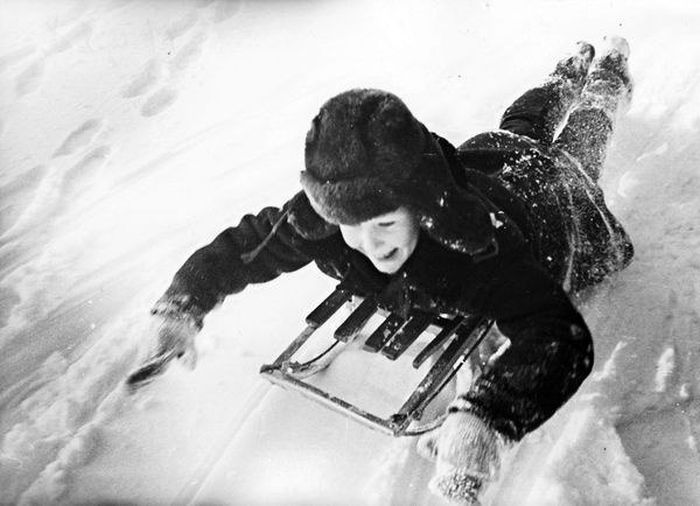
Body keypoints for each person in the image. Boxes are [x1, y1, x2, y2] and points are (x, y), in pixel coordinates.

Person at [126, 37, 634, 504]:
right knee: (519, 124)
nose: (370, 245)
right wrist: (182, 305)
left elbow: (558, 335)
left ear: (421, 205)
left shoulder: (475, 248)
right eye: (352, 225)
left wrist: (486, 417)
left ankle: (607, 77)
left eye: (386, 223)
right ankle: (567, 71)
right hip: (486, 162)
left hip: (549, 201)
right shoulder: (327, 223)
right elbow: (243, 249)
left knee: (579, 147)